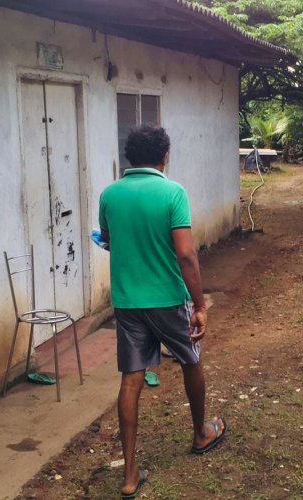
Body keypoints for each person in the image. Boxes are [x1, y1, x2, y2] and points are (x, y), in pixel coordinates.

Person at [99, 124, 227, 499]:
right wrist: (199, 305)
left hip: (128, 301)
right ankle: (201, 434)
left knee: (131, 379)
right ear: (164, 156)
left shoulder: (109, 194)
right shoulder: (173, 193)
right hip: (168, 299)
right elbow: (185, 254)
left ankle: (129, 475)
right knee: (190, 360)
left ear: (130, 156)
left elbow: (108, 239)